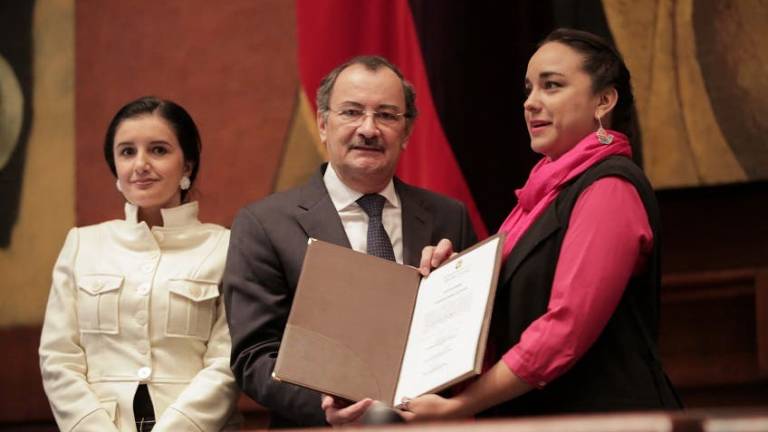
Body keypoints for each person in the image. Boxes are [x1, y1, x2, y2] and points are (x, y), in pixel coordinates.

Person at [368, 28, 682, 421]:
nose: (531, 103)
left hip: (606, 419)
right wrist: (453, 276)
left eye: (551, 86)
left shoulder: (609, 187)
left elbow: (563, 330)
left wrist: (462, 406)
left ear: (604, 100)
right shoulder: (542, 193)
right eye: (529, 89)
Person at [223, 55, 477, 428]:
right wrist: (325, 404)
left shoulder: (447, 217)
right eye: (352, 112)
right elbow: (255, 356)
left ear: (406, 133)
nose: (369, 129)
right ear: (323, 124)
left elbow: (471, 335)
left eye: (388, 115)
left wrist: (456, 287)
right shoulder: (264, 224)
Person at [39, 97, 240, 431]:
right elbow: (59, 357)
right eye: (127, 152)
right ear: (115, 166)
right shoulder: (82, 245)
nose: (141, 164)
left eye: (158, 150)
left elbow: (227, 361)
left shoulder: (226, 247)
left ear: (187, 165)